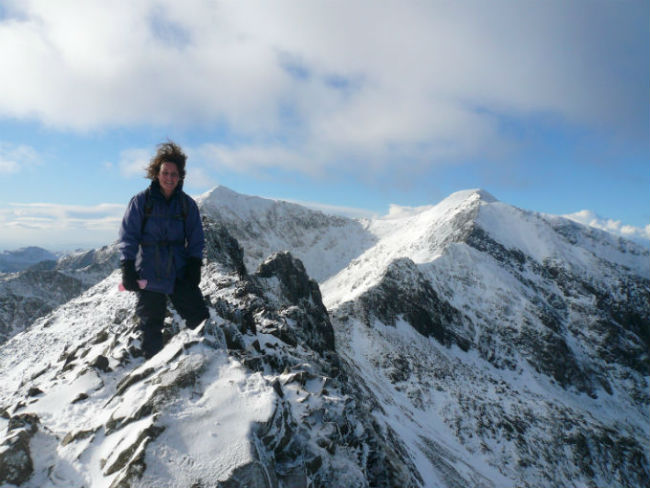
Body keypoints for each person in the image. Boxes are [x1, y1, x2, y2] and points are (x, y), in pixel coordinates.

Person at [118, 141, 209, 359]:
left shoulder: (187, 205)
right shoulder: (141, 202)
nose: (170, 178)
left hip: (179, 272)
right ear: (157, 174)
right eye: (165, 173)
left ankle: (206, 366)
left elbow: (196, 237)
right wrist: (127, 267)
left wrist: (195, 265)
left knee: (200, 319)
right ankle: (154, 378)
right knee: (151, 330)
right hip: (149, 273)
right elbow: (128, 236)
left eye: (174, 174)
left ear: (181, 177)